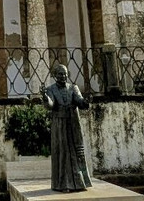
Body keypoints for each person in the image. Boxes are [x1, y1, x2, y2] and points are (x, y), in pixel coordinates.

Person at [43, 64, 92, 192]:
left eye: (65, 74)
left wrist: (86, 102)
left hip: (73, 123)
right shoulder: (50, 89)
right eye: (60, 74)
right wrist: (45, 97)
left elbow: (79, 100)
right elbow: (51, 104)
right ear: (55, 76)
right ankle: (63, 184)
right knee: (62, 153)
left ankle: (80, 183)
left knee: (77, 152)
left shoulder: (73, 88)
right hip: (59, 125)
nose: (63, 76)